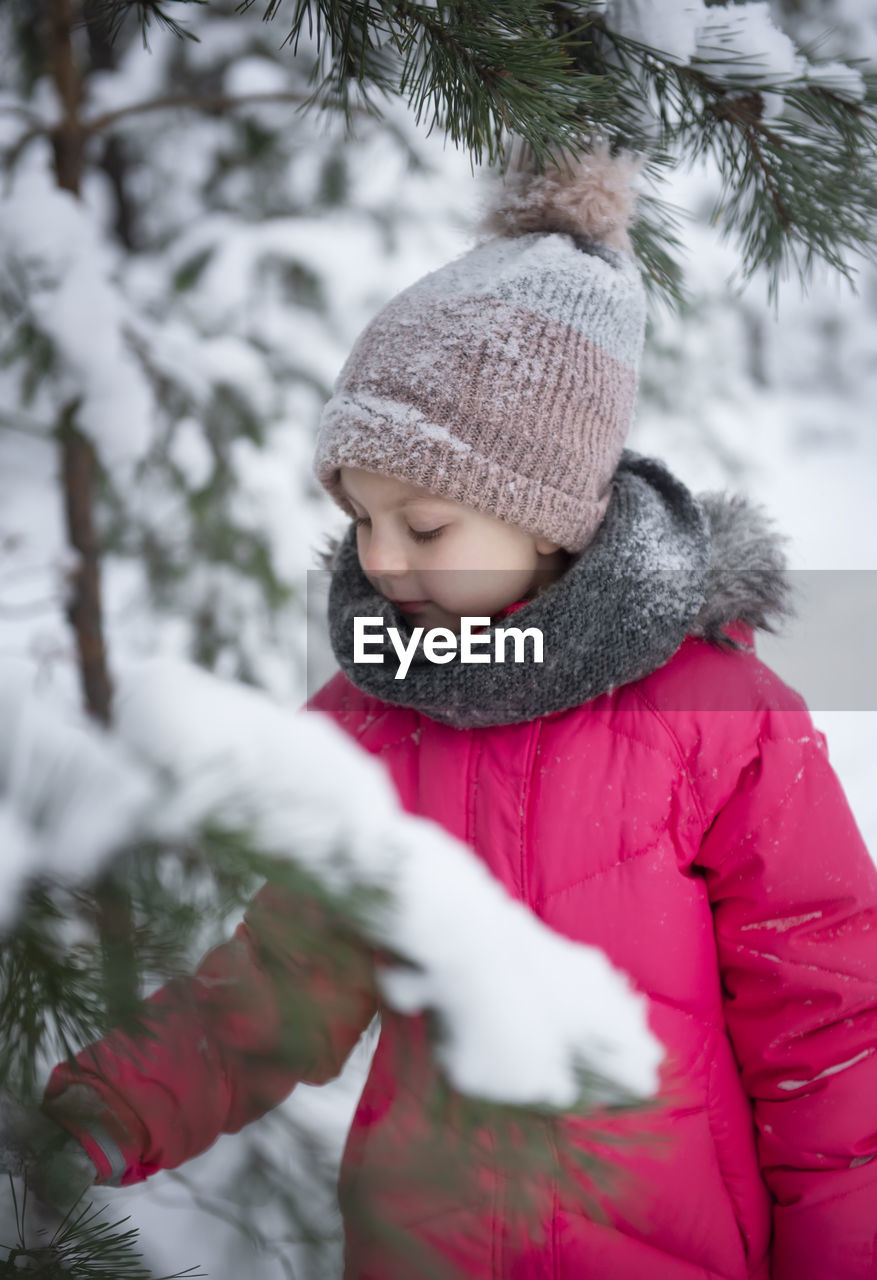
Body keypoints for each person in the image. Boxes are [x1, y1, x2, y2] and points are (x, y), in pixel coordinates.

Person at [21, 143, 877, 1279]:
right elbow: (283, 975)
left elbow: (827, 1031)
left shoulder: (721, 717)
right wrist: (102, 1110)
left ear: (551, 516)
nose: (379, 559)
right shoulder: (376, 719)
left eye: (422, 527)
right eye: (360, 518)